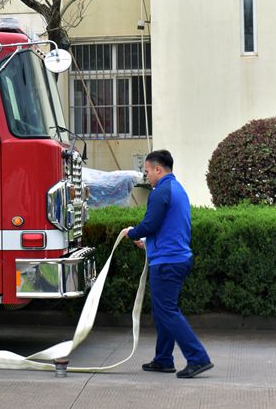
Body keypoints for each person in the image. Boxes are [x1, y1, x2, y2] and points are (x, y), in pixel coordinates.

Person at [121, 149, 214, 379]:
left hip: (167, 262)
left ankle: (198, 358)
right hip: (176, 258)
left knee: (167, 311)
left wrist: (132, 233)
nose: (146, 176)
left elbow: (150, 224)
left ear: (158, 169)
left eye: (147, 171)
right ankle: (163, 359)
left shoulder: (160, 191)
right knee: (163, 310)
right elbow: (170, 227)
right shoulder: (177, 189)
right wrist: (148, 243)